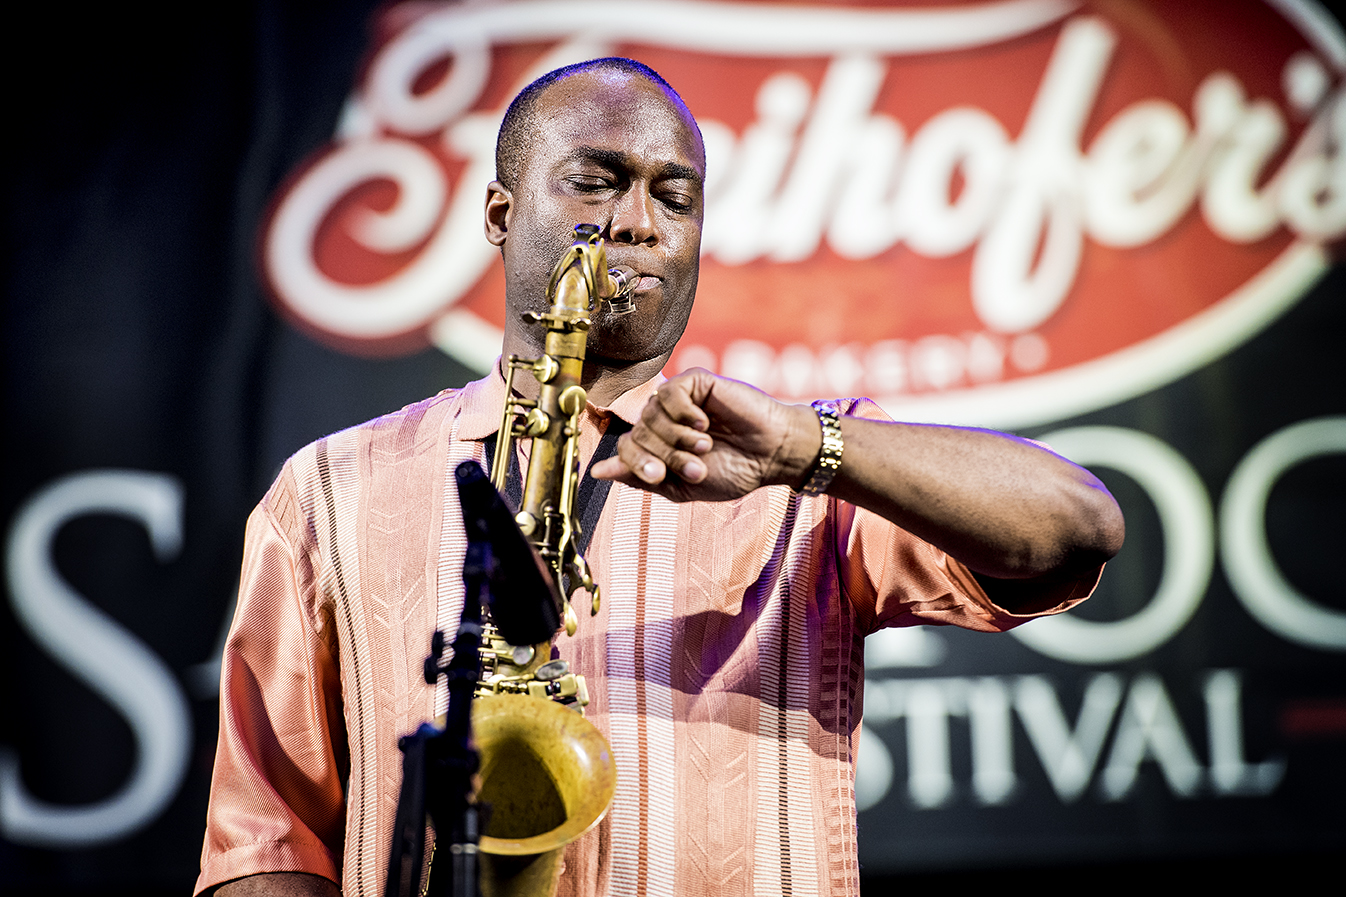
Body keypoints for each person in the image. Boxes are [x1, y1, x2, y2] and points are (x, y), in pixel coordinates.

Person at [197, 58, 1124, 897]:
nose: (638, 223)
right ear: (499, 212)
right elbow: (265, 844)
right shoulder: (328, 489)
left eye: (675, 199)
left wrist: (808, 449)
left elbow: (1080, 524)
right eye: (597, 182)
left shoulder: (796, 467)